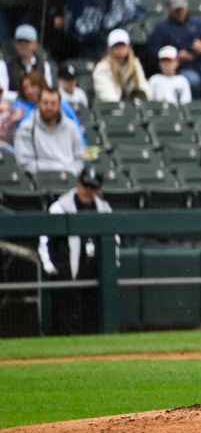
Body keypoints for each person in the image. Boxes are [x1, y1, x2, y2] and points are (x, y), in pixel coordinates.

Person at [37, 166, 117, 335]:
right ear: (79, 183)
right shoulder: (60, 207)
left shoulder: (104, 208)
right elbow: (45, 239)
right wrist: (50, 266)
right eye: (86, 186)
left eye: (93, 187)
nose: (88, 191)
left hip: (95, 271)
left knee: (92, 316)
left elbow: (114, 239)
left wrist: (112, 264)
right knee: (66, 317)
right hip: (67, 271)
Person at [148, 0, 201, 99]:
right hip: (179, 69)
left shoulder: (199, 23)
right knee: (192, 80)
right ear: (169, 9)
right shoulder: (161, 28)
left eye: (181, 9)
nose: (180, 12)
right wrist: (175, 56)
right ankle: (194, 108)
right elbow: (154, 51)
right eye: (176, 10)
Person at [14, 87, 84, 175]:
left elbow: (79, 160)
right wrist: (55, 171)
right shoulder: (25, 129)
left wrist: (69, 173)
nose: (49, 107)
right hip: (39, 181)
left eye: (53, 103)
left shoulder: (72, 128)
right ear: (38, 104)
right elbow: (24, 164)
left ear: (59, 105)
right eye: (45, 103)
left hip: (69, 178)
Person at [0, 24, 54, 103]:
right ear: (15, 44)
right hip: (13, 107)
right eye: (19, 41)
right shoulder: (4, 65)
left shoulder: (44, 65)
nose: (23, 45)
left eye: (27, 41)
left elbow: (48, 90)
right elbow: (2, 93)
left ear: (35, 44)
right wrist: (24, 96)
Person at [93, 29, 149, 103]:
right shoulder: (102, 68)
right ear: (110, 49)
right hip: (108, 110)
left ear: (128, 47)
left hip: (132, 108)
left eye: (123, 45)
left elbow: (143, 88)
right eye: (116, 46)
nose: (120, 48)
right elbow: (108, 97)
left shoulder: (135, 64)